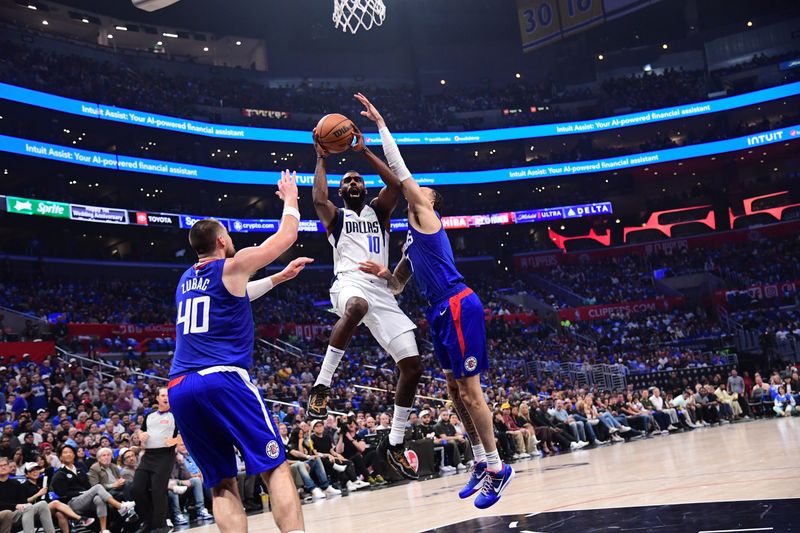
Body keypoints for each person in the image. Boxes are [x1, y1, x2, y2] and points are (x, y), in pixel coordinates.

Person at [353, 93, 513, 508]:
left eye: (420, 191)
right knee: (453, 390)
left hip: (458, 302)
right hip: (437, 310)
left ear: (429, 202)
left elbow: (401, 172)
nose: (414, 190)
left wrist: (380, 128)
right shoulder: (411, 242)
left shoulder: (426, 215)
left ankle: (497, 467)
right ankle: (479, 458)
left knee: (471, 391)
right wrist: (381, 276)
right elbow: (399, 285)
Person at [167, 170, 310, 533]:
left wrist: (278, 279)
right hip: (222, 379)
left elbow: (236, 296)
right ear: (221, 240)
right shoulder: (231, 265)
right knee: (274, 466)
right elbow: (287, 236)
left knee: (221, 483)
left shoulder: (185, 281)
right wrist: (291, 198)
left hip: (180, 387)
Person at [308, 116, 422, 482]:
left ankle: (395, 440)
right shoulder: (336, 217)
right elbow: (317, 197)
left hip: (383, 291)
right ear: (342, 192)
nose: (353, 182)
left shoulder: (379, 211)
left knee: (412, 365)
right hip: (349, 284)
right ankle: (322, 384)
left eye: (357, 179)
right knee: (356, 307)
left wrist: (365, 150)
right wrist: (322, 158)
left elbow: (395, 183)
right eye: (348, 181)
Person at [50, 445, 134, 533]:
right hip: (71, 503)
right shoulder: (59, 474)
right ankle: (120, 506)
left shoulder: (80, 470)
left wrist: (86, 492)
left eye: (70, 452)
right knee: (97, 487)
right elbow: (62, 493)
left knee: (99, 499)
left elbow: (88, 486)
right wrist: (81, 492)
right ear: (60, 457)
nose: (68, 454)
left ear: (74, 455)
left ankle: (103, 529)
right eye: (65, 452)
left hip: (86, 499)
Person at [131, 388, 179, 533]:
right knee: (137, 489)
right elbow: (141, 430)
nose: (166, 398)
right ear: (157, 398)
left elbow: (187, 433)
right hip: (148, 456)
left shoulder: (176, 415)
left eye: (168, 395)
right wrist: (140, 434)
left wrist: (174, 440)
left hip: (165, 456)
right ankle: (148, 520)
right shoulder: (150, 416)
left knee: (158, 491)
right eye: (163, 395)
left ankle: (161, 525)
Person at [20, 461, 95, 533]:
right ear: (26, 474)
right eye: (32, 471)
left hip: (47, 509)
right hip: (33, 512)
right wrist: (38, 494)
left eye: (36, 470)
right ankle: (80, 519)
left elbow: (50, 469)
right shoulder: (24, 486)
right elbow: (24, 502)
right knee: (55, 503)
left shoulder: (42, 480)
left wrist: (41, 470)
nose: (35, 472)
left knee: (60, 514)